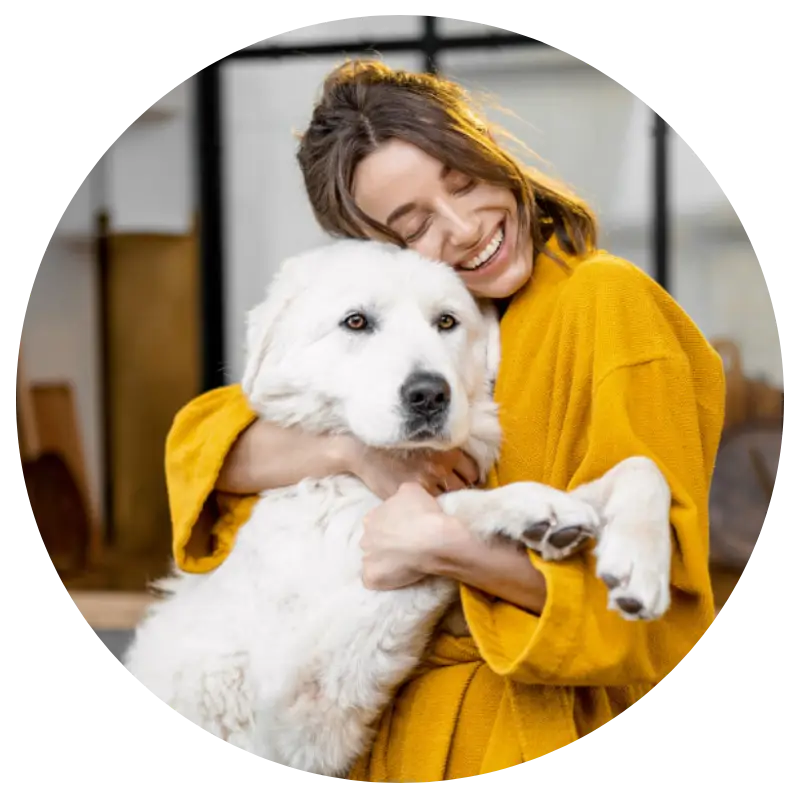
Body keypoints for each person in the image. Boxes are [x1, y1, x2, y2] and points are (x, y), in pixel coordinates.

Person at [165, 60, 725, 783]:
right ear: (378, 248)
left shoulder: (606, 303)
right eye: (416, 223)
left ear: (489, 150)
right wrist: (352, 454)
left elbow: (655, 616)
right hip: (379, 741)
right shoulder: (437, 335)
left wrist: (445, 551)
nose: (463, 230)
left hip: (523, 733)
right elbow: (209, 441)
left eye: (463, 182)